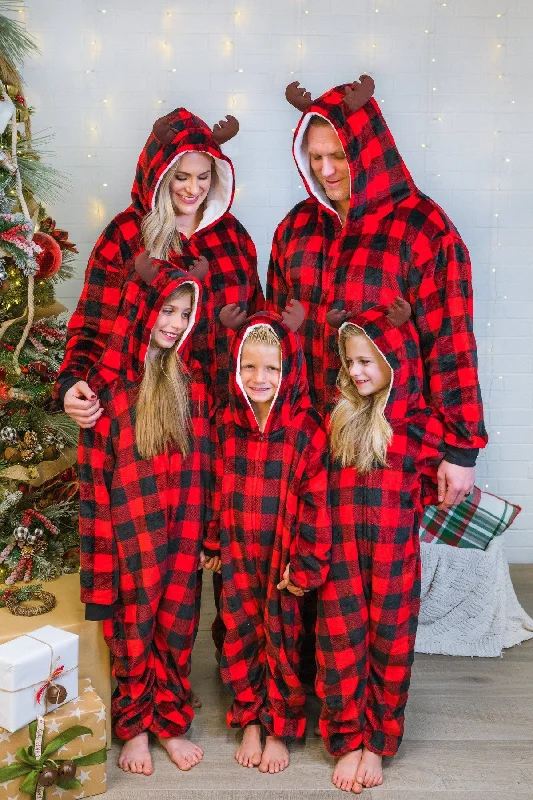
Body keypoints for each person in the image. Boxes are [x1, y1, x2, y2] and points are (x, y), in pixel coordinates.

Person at [267, 75, 488, 685]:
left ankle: (371, 715)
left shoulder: (424, 229)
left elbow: (452, 344)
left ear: (369, 147)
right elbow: (275, 340)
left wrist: (460, 449)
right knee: (306, 573)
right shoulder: (295, 231)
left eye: (338, 154)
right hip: (309, 434)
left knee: (373, 594)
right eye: (314, 158)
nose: (327, 169)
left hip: (385, 444)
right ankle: (312, 698)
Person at [78, 263, 211, 776]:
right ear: (141, 310)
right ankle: (133, 727)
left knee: (178, 628)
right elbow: (93, 484)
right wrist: (99, 566)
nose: (175, 323)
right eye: (166, 310)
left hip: (184, 528)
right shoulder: (108, 389)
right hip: (130, 530)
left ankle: (171, 723)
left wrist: (209, 533)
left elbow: (206, 460)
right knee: (133, 630)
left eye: (184, 313)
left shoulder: (192, 382)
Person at [57, 107, 263, 427]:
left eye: (203, 177)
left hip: (223, 418)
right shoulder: (125, 237)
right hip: (142, 414)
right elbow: (93, 326)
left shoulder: (234, 238)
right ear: (160, 174)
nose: (193, 189)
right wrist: (71, 382)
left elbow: (256, 322)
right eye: (181, 177)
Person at [316, 298, 445, 793]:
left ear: (391, 362)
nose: (356, 370)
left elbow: (436, 489)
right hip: (342, 555)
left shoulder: (415, 426)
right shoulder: (338, 420)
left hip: (394, 560)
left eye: (367, 361)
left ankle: (378, 741)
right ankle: (348, 737)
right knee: (340, 645)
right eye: (349, 361)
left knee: (390, 647)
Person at [203, 301, 331, 774]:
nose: (260, 377)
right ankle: (248, 717)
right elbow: (213, 488)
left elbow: (319, 503)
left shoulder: (306, 430)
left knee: (285, 639)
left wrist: (306, 563)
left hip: (282, 561)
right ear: (236, 367)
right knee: (238, 633)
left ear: (288, 368)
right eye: (249, 366)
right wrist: (214, 541)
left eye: (272, 368)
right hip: (237, 557)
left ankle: (280, 723)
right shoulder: (225, 425)